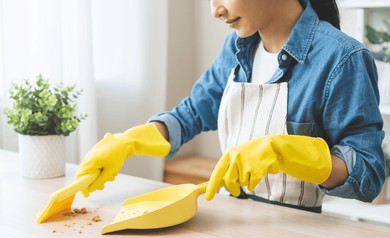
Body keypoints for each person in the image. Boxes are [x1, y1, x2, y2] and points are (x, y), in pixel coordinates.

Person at [76, 0, 385, 213]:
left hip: (296, 235)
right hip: (230, 222)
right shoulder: (237, 49)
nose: (215, 10)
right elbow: (193, 113)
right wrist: (130, 141)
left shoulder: (342, 58)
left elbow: (368, 175)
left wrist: (285, 153)